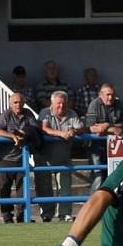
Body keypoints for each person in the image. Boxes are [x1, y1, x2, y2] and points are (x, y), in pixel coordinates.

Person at [37, 90, 86, 222]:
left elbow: (81, 127)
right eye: (58, 103)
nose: (61, 106)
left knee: (64, 186)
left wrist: (74, 131)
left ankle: (64, 213)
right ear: (52, 103)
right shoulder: (45, 113)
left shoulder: (72, 113)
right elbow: (44, 128)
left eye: (63, 103)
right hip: (44, 157)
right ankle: (47, 214)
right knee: (45, 187)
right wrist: (61, 134)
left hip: (63, 156)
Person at [0, 92, 39, 223]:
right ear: (10, 104)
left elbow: (35, 127)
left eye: (20, 102)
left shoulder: (28, 114)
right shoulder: (6, 115)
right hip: (5, 158)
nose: (18, 105)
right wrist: (12, 136)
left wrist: (23, 134)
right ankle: (7, 217)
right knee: (5, 189)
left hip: (22, 159)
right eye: (15, 102)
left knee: (23, 190)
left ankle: (22, 216)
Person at [85, 83, 123, 193]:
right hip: (96, 147)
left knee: (113, 176)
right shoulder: (94, 104)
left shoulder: (119, 104)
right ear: (101, 95)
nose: (110, 97)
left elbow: (122, 126)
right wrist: (111, 128)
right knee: (98, 178)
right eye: (108, 95)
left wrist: (106, 125)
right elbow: (91, 127)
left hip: (114, 148)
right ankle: (93, 206)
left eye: (112, 95)